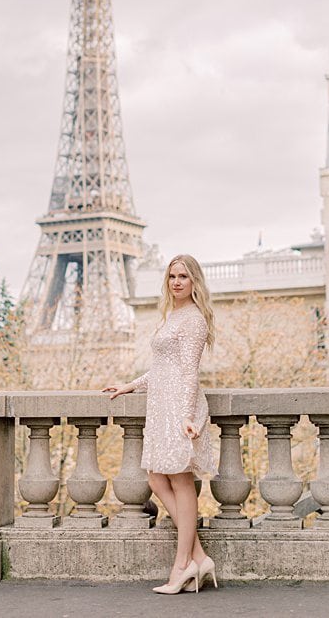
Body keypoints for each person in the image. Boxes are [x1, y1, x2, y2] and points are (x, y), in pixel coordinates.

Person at [104, 254, 218, 595]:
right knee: (157, 478)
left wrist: (186, 415)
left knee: (180, 480)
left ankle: (183, 565)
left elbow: (188, 372)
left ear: (195, 281)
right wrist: (130, 385)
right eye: (172, 276)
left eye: (184, 276)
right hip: (160, 405)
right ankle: (199, 556)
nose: (177, 281)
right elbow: (162, 369)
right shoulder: (173, 316)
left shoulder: (194, 320)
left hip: (178, 407)